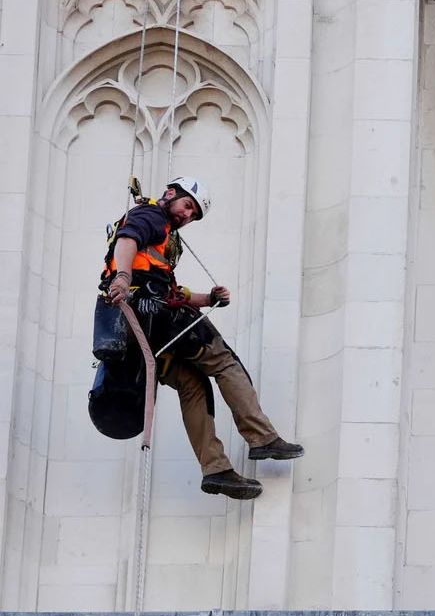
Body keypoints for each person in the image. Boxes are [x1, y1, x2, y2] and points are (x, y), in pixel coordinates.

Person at [100, 176, 303, 499]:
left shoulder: (163, 235)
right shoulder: (151, 216)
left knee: (194, 384)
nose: (187, 216)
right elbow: (127, 241)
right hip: (155, 316)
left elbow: (165, 287)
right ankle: (262, 437)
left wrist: (207, 299)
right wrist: (123, 279)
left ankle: (216, 469)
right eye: (187, 205)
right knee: (224, 361)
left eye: (194, 214)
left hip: (140, 331)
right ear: (170, 194)